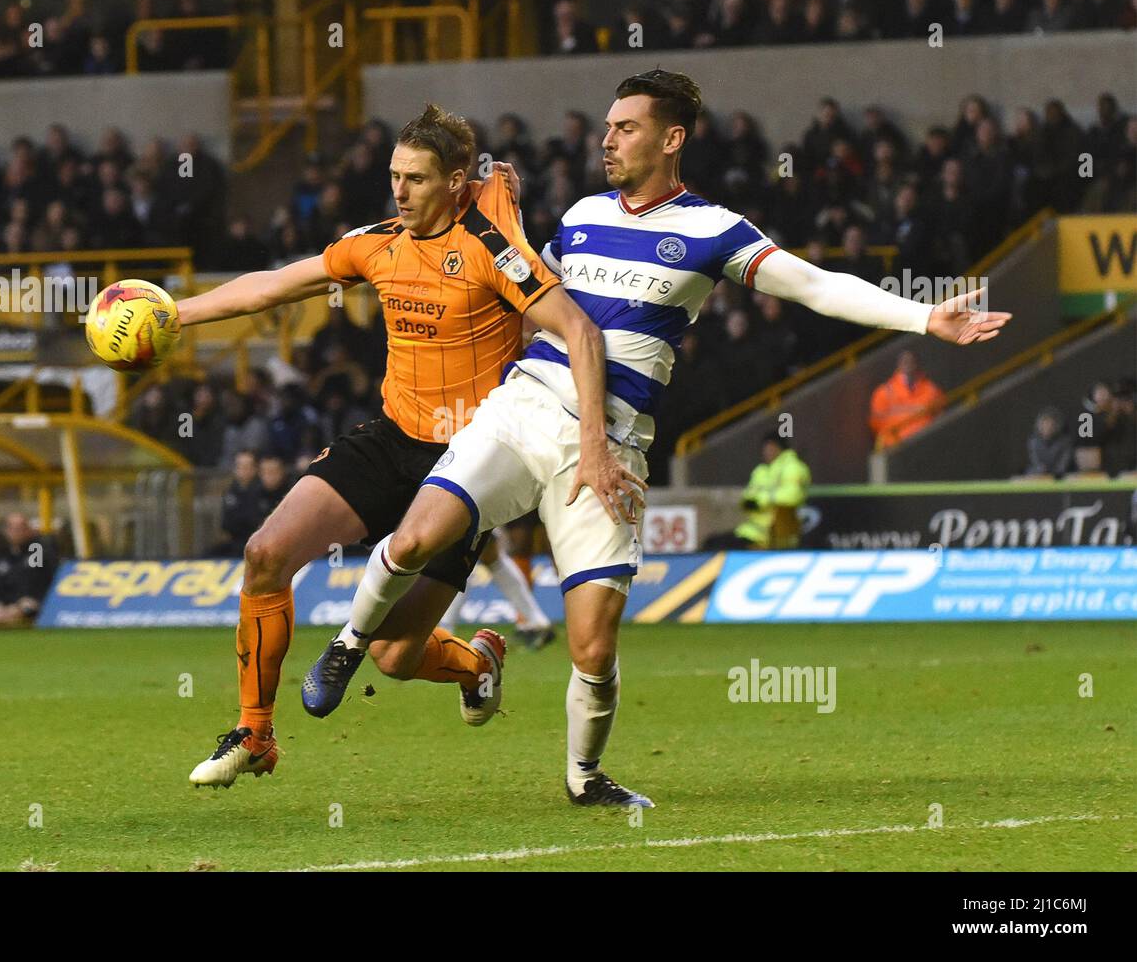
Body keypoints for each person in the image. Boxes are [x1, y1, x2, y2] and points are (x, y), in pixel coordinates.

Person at [309, 69, 1010, 808]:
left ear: (671, 138)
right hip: (528, 409)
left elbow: (814, 285)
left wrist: (923, 318)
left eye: (626, 128)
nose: (607, 140)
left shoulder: (714, 231)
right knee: (417, 537)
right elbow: (522, 300)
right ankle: (348, 646)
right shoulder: (579, 215)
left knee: (594, 644)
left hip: (611, 447)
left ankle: (585, 778)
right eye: (608, 128)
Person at [179, 103, 628, 788]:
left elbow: (577, 329)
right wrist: (176, 314)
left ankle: (478, 663)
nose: (400, 190)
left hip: (470, 461)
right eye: (394, 176)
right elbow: (271, 286)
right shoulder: (377, 243)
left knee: (393, 655)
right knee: (265, 554)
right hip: (392, 437)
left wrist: (592, 441)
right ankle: (256, 732)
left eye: (415, 178)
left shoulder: (493, 251)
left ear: (455, 181)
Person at [705, 432, 811, 549]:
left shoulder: (793, 467)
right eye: (765, 449)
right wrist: (748, 502)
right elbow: (749, 494)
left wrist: (763, 500)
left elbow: (793, 495)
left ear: (778, 448)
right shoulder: (761, 471)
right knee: (711, 543)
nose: (766, 452)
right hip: (753, 531)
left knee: (721, 546)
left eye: (769, 448)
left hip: (776, 534)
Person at [869, 350, 945, 448]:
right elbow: (875, 422)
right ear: (898, 364)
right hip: (895, 447)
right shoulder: (884, 392)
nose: (908, 365)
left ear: (917, 364)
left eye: (911, 361)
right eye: (905, 361)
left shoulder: (931, 389)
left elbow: (941, 416)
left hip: (927, 444)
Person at [0, 513, 57, 623]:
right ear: (6, 531)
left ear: (28, 529)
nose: (16, 532)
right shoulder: (2, 554)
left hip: (31, 610)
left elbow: (40, 581)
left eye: (21, 528)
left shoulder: (37, 551)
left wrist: (27, 604)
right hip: (5, 611)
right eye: (12, 528)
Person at [1024, 406, 1072, 477]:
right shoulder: (1033, 442)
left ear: (1056, 426)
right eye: (1044, 424)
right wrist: (1042, 471)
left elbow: (1063, 463)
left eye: (1050, 425)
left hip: (1060, 474)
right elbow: (1035, 461)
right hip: (1038, 473)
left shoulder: (1065, 442)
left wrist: (1056, 474)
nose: (1047, 427)